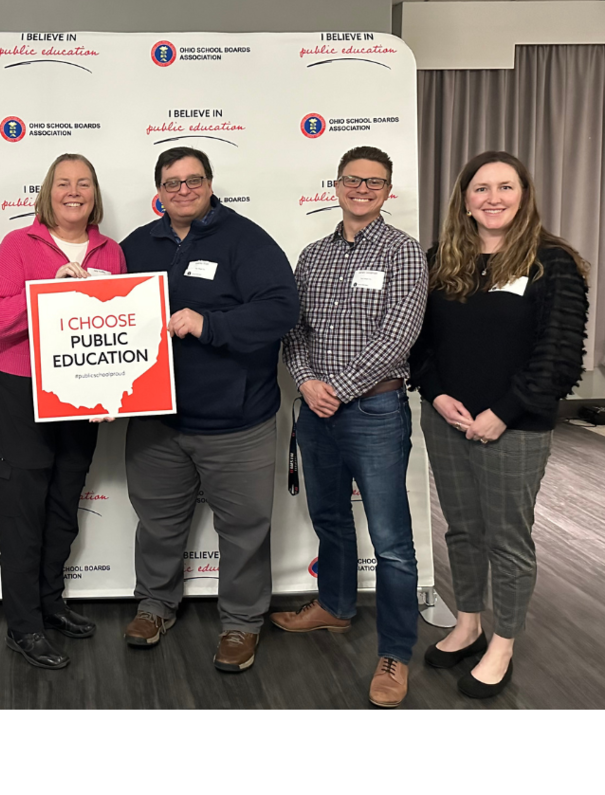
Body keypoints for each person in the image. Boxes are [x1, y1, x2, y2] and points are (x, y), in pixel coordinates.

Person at [409, 151, 588, 698]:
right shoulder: (440, 260)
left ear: (523, 193)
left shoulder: (551, 262)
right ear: (463, 198)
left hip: (515, 426)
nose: (493, 198)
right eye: (480, 188)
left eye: (504, 187)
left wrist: (501, 415)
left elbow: (558, 356)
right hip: (447, 421)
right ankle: (468, 622)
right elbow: (421, 345)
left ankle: (503, 642)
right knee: (463, 530)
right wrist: (437, 396)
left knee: (508, 539)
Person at [119, 146, 299, 672]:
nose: (183, 190)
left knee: (243, 529)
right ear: (159, 191)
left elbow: (281, 309)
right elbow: (101, 308)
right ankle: (155, 606)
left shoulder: (246, 239)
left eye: (193, 180)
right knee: (157, 523)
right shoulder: (137, 244)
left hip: (236, 422)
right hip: (156, 420)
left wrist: (209, 324)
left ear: (210, 183)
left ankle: (242, 623)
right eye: (172, 183)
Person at [276, 145, 428, 707]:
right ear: (336, 186)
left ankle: (395, 650)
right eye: (352, 180)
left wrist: (335, 388)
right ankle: (335, 607)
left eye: (375, 182)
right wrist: (309, 382)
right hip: (315, 410)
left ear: (389, 191)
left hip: (375, 411)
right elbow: (293, 330)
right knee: (330, 518)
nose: (362, 189)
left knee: (390, 542)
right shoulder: (312, 255)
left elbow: (398, 339)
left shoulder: (404, 253)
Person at [0, 153, 126, 669]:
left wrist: (114, 390)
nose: (73, 191)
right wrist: (44, 296)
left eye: (84, 183)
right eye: (63, 183)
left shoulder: (112, 251)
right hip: (19, 394)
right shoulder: (19, 245)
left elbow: (117, 330)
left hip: (78, 399)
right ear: (48, 191)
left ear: (94, 193)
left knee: (62, 509)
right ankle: (23, 626)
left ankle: (48, 603)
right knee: (22, 514)